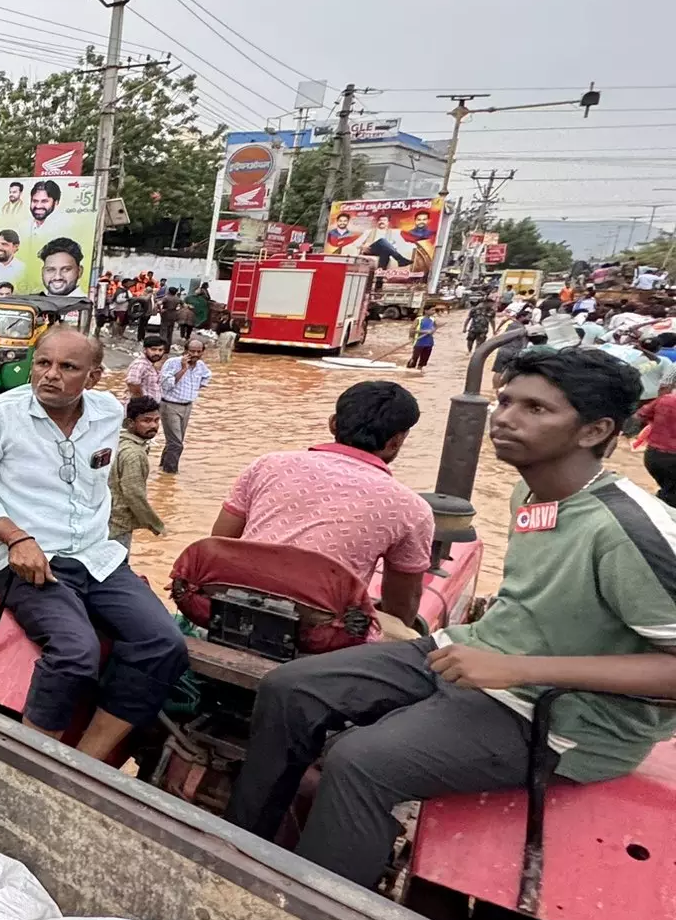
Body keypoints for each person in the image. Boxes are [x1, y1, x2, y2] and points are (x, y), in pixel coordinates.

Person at [226, 346, 676, 887]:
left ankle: (321, 916)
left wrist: (518, 671)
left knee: (360, 762)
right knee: (290, 688)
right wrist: (493, 658)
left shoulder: (631, 531)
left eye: (536, 409)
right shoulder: (529, 491)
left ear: (593, 430)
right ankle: (243, 847)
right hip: (476, 653)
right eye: (505, 400)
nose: (505, 418)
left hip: (560, 716)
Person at [0, 326, 187, 758]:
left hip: (98, 557)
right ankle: (35, 760)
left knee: (165, 643)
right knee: (76, 654)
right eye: (43, 363)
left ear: (93, 377)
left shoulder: (108, 413)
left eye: (67, 367)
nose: (50, 375)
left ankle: (88, 761)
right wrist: (17, 538)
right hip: (26, 561)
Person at [211, 381, 434, 626]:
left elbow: (220, 544)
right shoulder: (411, 508)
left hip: (233, 605)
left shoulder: (267, 465)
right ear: (397, 441)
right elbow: (402, 605)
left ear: (333, 424)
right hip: (325, 631)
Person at [108, 395, 167, 550]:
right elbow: (134, 494)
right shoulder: (134, 454)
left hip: (103, 519)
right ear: (130, 423)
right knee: (117, 568)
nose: (153, 425)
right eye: (146, 421)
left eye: (156, 420)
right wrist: (155, 525)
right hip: (118, 524)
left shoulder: (116, 441)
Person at [155, 336, 213, 473]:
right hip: (170, 405)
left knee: (174, 441)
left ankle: (163, 468)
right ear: (185, 351)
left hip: (187, 406)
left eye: (199, 352)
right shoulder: (172, 363)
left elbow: (207, 376)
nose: (195, 355)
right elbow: (166, 385)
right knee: (176, 443)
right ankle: (170, 474)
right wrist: (183, 369)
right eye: (192, 351)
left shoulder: (200, 365)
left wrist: (195, 388)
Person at [635, 373, 676, 505]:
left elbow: (640, 415)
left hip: (654, 456)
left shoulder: (665, 400)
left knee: (668, 492)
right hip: (672, 458)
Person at [124, 333, 168, 402]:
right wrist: (143, 403)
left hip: (152, 407)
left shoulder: (152, 364)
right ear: (144, 349)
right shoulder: (140, 364)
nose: (157, 353)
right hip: (141, 408)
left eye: (160, 350)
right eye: (153, 349)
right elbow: (133, 384)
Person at [155, 285, 183, 350]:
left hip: (166, 314)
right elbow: (184, 305)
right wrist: (178, 310)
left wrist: (160, 310)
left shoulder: (166, 298)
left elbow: (159, 303)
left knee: (163, 330)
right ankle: (167, 347)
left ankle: (162, 345)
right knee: (170, 332)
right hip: (173, 315)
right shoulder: (177, 298)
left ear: (169, 291)